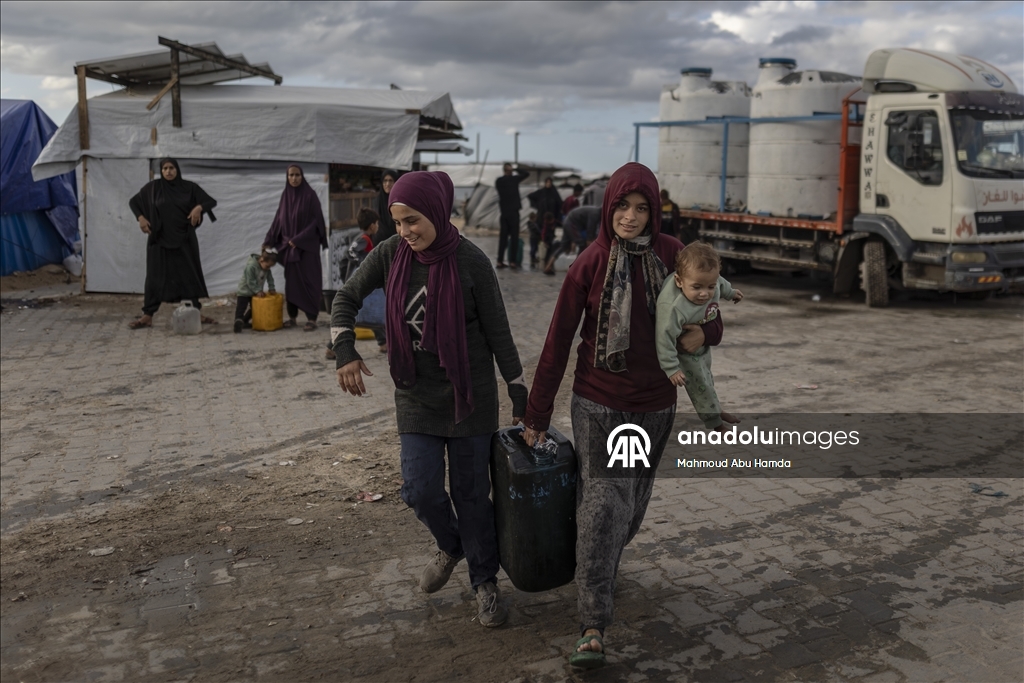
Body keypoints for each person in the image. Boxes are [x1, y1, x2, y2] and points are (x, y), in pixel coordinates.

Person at [522, 163, 723, 668]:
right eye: (622, 206)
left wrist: (705, 333)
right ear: (608, 206)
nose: (630, 217)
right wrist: (536, 414)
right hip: (600, 402)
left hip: (655, 405)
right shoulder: (588, 264)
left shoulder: (674, 255)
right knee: (604, 504)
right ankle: (592, 623)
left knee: (628, 509)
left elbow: (710, 308)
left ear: (655, 212)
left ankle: (597, 560)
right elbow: (557, 342)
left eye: (641, 208)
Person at [332, 171, 527, 628]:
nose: (405, 231)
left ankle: (484, 583)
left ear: (437, 212)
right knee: (419, 490)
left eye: (413, 220)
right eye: (398, 222)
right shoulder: (390, 254)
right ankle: (452, 545)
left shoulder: (472, 262)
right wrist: (344, 350)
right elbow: (346, 297)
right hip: (416, 397)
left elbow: (499, 334)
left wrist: (519, 394)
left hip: (470, 399)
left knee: (472, 496)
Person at [656, 242, 743, 429]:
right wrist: (671, 368)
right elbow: (664, 338)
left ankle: (716, 408)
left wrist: (731, 293)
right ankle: (716, 424)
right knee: (699, 384)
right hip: (683, 351)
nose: (705, 294)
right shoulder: (673, 308)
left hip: (701, 344)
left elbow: (721, 283)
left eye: (710, 287)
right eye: (696, 287)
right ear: (679, 281)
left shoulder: (709, 281)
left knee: (707, 377)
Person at [127, 158, 218, 329]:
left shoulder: (189, 188)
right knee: (154, 277)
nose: (168, 171)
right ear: (161, 171)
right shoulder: (153, 188)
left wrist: (198, 207)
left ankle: (196, 312)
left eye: (171, 168)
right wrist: (141, 218)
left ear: (177, 170)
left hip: (184, 240)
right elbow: (134, 202)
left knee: (189, 275)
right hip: (159, 240)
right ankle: (147, 316)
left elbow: (210, 201)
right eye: (165, 169)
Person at [264, 165, 328, 332]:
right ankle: (292, 317)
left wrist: (299, 239)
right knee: (291, 284)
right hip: (290, 249)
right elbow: (278, 220)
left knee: (310, 282)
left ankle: (312, 319)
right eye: (291, 175)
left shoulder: (310, 195)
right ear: (287, 177)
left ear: (302, 176)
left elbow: (316, 222)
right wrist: (268, 240)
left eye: (297, 175)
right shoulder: (285, 196)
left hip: (307, 249)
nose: (294, 178)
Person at [325, 208, 379, 360]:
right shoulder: (364, 239)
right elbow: (351, 252)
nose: (378, 226)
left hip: (362, 282)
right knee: (360, 314)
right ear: (372, 225)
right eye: (377, 223)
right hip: (359, 283)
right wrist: (363, 264)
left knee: (371, 311)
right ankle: (332, 346)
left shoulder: (365, 238)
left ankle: (384, 342)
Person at [543, 205, 601, 275]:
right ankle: (575, 269)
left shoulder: (595, 212)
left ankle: (548, 266)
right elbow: (590, 228)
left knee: (563, 247)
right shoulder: (595, 214)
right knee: (582, 245)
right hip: (572, 224)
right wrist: (589, 239)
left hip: (568, 222)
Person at [495, 162, 529, 269]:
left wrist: (514, 169)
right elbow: (526, 174)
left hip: (508, 212)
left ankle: (503, 261)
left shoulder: (504, 180)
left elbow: (526, 174)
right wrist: (515, 169)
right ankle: (508, 261)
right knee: (508, 238)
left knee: (509, 238)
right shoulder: (505, 180)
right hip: (510, 212)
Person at [234, 250, 278, 333]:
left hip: (254, 293)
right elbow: (250, 281)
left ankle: (244, 321)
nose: (268, 268)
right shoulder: (251, 267)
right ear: (261, 260)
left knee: (255, 308)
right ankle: (238, 321)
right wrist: (258, 290)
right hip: (244, 291)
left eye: (270, 267)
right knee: (241, 308)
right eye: (267, 266)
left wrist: (272, 288)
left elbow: (270, 278)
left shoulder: (266, 269)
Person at [372, 169, 399, 246]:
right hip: (379, 242)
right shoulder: (377, 201)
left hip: (396, 241)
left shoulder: (399, 201)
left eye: (390, 181)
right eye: (385, 181)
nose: (387, 184)